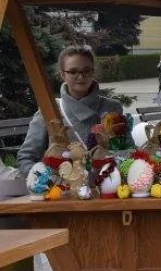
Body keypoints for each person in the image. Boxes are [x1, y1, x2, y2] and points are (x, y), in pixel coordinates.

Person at [17, 45, 123, 175]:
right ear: (62, 75)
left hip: (106, 189)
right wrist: (45, 178)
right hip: (63, 191)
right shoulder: (49, 109)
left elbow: (125, 151)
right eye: (73, 72)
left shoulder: (112, 108)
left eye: (86, 70)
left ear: (93, 72)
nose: (80, 77)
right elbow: (26, 158)